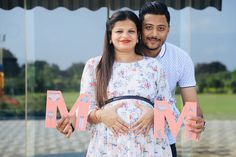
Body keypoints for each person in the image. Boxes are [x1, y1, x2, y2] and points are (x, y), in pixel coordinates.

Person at [57, 10, 173, 156]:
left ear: (138, 36)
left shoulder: (154, 66)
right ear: (110, 36)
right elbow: (84, 109)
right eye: (119, 31)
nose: (125, 36)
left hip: (150, 146)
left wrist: (154, 113)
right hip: (107, 146)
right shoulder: (94, 66)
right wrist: (102, 116)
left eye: (131, 31)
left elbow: (168, 106)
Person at [131, 1, 206, 157]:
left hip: (164, 139)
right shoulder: (126, 53)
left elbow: (191, 105)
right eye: (148, 27)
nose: (154, 34)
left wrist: (198, 121)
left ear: (168, 30)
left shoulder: (181, 58)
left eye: (161, 28)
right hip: (128, 139)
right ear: (139, 29)